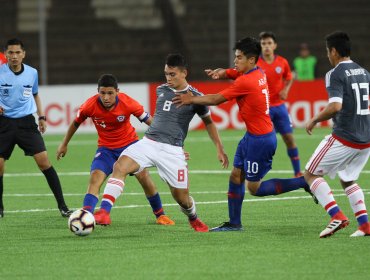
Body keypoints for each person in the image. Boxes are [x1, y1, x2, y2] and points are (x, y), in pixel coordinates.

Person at [173, 37, 314, 232]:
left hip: (261, 141)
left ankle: (304, 181)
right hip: (252, 136)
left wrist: (191, 99)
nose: (235, 61)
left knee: (254, 189)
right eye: (235, 57)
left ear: (251, 59)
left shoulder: (246, 81)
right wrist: (224, 73)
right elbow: (234, 71)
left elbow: (215, 99)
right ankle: (234, 223)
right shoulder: (259, 72)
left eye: (239, 57)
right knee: (236, 175)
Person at [93, 53, 229, 232]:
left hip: (172, 151)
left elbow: (209, 123)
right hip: (148, 143)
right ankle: (104, 212)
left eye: (172, 74)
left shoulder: (196, 97)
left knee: (182, 198)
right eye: (166, 74)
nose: (168, 78)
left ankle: (193, 218)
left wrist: (219, 148)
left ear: (184, 73)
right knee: (120, 166)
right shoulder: (161, 90)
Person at [56, 74, 174, 226]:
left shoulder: (128, 102)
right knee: (95, 178)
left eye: (110, 93)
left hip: (130, 146)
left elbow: (149, 121)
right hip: (106, 149)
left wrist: (167, 141)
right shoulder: (89, 105)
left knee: (144, 178)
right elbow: (75, 123)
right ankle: (86, 216)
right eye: (102, 93)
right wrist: (64, 143)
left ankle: (160, 215)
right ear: (98, 91)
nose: (106, 97)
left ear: (117, 91)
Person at [205, 31, 302, 177]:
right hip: (264, 111)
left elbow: (290, 76)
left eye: (269, 43)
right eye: (263, 43)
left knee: (289, 139)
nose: (267, 46)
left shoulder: (282, 62)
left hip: (279, 106)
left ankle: (298, 173)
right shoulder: (255, 64)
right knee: (264, 138)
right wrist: (221, 72)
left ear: (275, 45)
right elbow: (234, 72)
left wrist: (286, 89)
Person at [304, 31, 370, 237]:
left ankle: (336, 216)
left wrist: (314, 119)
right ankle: (365, 225)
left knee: (310, 173)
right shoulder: (364, 72)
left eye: (327, 51)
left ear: (334, 51)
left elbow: (335, 106)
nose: (327, 56)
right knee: (348, 179)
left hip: (345, 136)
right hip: (366, 139)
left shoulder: (335, 73)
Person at [0, 38, 72, 218]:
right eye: (11, 53)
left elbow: (36, 95)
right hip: (4, 124)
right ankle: (0, 207)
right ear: (6, 55)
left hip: (26, 123)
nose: (14, 56)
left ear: (23, 54)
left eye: (18, 52)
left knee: (44, 162)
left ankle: (62, 206)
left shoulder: (32, 73)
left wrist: (41, 116)